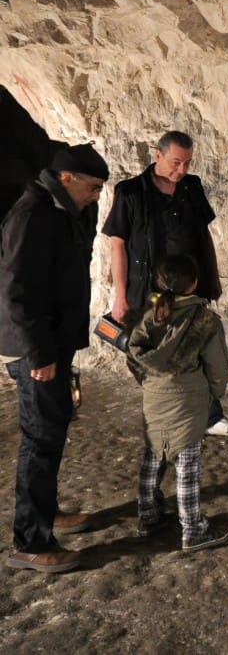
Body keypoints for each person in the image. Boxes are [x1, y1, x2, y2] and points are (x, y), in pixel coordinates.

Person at [0, 143, 109, 573]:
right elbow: (16, 291)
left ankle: (46, 512)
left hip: (50, 345)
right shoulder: (34, 214)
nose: (97, 196)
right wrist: (40, 353)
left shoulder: (59, 211)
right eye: (93, 187)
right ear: (66, 178)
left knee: (53, 428)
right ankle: (30, 541)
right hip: (36, 351)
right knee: (40, 439)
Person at [102, 130, 228, 439]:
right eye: (175, 162)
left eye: (187, 163)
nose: (181, 170)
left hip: (188, 288)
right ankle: (170, 412)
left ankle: (211, 417)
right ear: (157, 155)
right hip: (147, 291)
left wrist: (211, 279)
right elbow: (118, 245)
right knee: (150, 356)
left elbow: (203, 235)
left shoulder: (191, 188)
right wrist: (120, 296)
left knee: (197, 351)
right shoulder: (129, 192)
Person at [127, 254, 228, 552]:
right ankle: (193, 529)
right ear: (195, 283)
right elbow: (218, 367)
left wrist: (149, 384)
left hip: (155, 398)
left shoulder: (150, 315)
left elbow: (134, 354)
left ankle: (147, 516)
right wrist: (213, 394)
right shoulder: (204, 320)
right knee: (187, 464)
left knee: (153, 455)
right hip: (188, 401)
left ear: (159, 283)